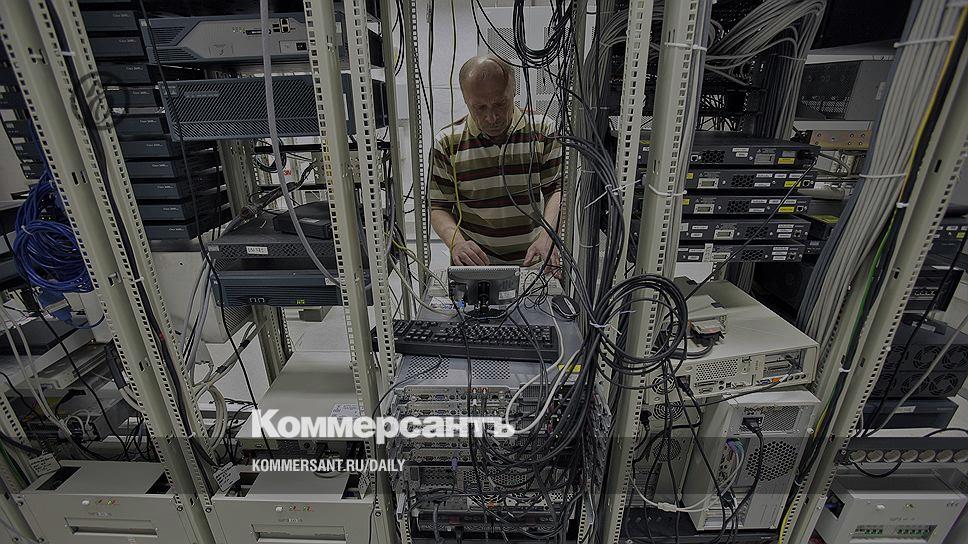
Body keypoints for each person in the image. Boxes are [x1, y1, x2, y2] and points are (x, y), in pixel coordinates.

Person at [428, 55, 563, 269]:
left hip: (534, 259)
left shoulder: (543, 130)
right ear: (465, 99)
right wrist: (457, 243)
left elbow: (557, 190)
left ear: (514, 90)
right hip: (475, 264)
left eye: (500, 103)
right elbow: (438, 206)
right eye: (480, 107)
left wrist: (548, 235)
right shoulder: (447, 142)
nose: (492, 117)